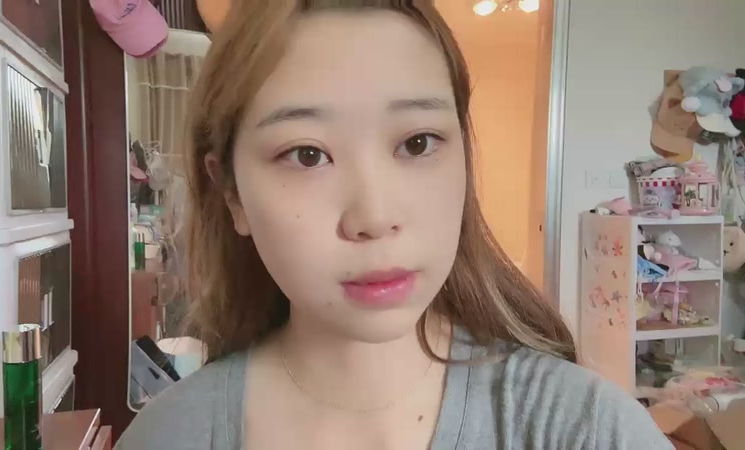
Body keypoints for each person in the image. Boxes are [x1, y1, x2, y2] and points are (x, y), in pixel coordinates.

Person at [116, 1, 672, 449]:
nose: (375, 217)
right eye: (307, 155)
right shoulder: (169, 436)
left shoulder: (585, 430)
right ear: (232, 193)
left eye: (417, 143)